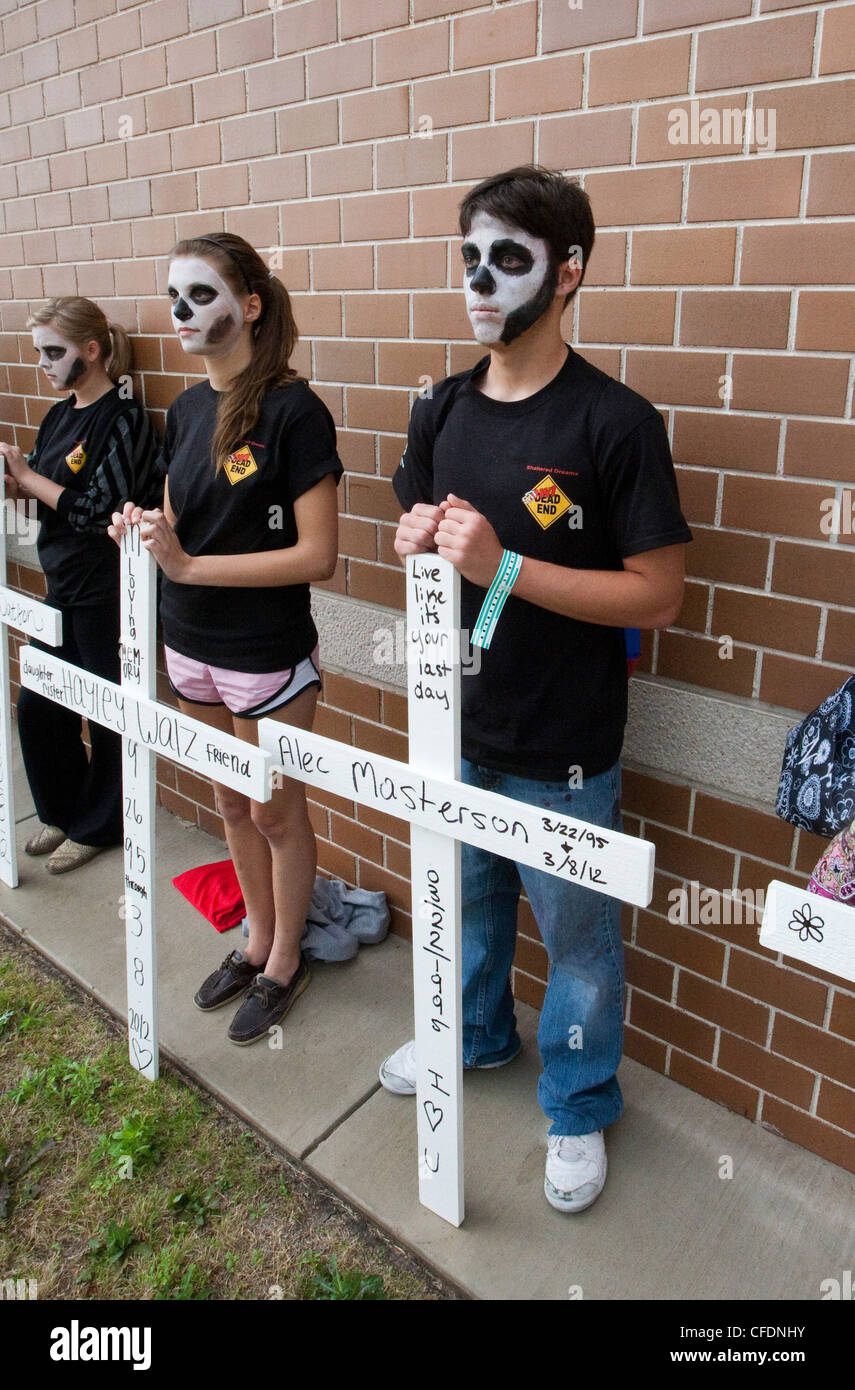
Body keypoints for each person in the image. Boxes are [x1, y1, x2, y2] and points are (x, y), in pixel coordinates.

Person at [380, 166, 692, 1212]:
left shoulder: (616, 421)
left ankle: (578, 1104)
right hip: (456, 726)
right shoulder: (441, 406)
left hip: (565, 748)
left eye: (506, 259)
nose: (478, 281)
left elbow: (659, 593)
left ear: (567, 274)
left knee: (579, 947)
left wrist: (501, 566)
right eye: (468, 256)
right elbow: (418, 533)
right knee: (466, 908)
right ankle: (470, 1040)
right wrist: (417, 542)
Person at [110, 233, 341, 1046]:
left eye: (200, 294)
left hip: (267, 653)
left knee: (276, 811)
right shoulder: (185, 407)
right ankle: (252, 941)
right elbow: (181, 524)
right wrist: (144, 532)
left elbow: (319, 555)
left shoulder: (293, 409)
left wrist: (192, 567)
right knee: (230, 804)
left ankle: (285, 959)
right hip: (188, 643)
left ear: (248, 305)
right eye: (173, 295)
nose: (180, 311)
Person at [0, 297, 159, 873]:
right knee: (39, 707)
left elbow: (100, 509)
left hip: (105, 592)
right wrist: (18, 484)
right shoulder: (58, 413)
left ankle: (101, 825)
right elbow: (48, 505)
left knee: (108, 714)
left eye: (53, 351)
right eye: (39, 351)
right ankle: (62, 812)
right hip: (61, 584)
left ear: (91, 351)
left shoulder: (123, 418)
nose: (42, 362)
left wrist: (31, 479)